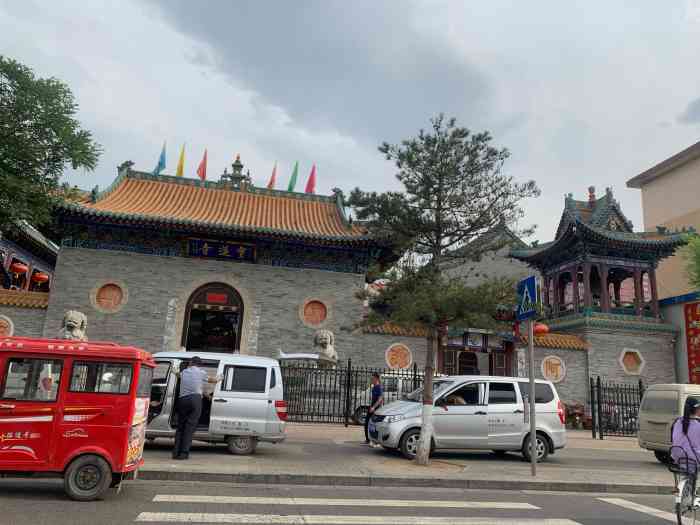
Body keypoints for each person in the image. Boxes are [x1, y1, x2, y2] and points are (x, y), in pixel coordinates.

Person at [173, 356, 222, 460]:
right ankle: (184, 453)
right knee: (190, 428)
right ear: (199, 364)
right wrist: (220, 378)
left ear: (191, 363)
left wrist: (175, 371)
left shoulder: (184, 372)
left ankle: (175, 453)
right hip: (195, 401)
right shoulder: (201, 373)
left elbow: (179, 375)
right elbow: (213, 380)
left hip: (183, 400)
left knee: (180, 427)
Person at [671, 396, 700, 472]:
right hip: (693, 458)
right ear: (695, 409)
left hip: (677, 456)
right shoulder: (697, 425)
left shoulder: (677, 422)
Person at [364, 373, 383, 446]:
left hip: (376, 408)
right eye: (371, 379)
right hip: (372, 407)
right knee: (368, 423)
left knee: (374, 425)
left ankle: (375, 441)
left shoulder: (379, 387)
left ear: (376, 379)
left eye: (373, 378)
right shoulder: (374, 387)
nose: (371, 380)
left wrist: (374, 407)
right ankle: (368, 440)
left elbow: (380, 399)